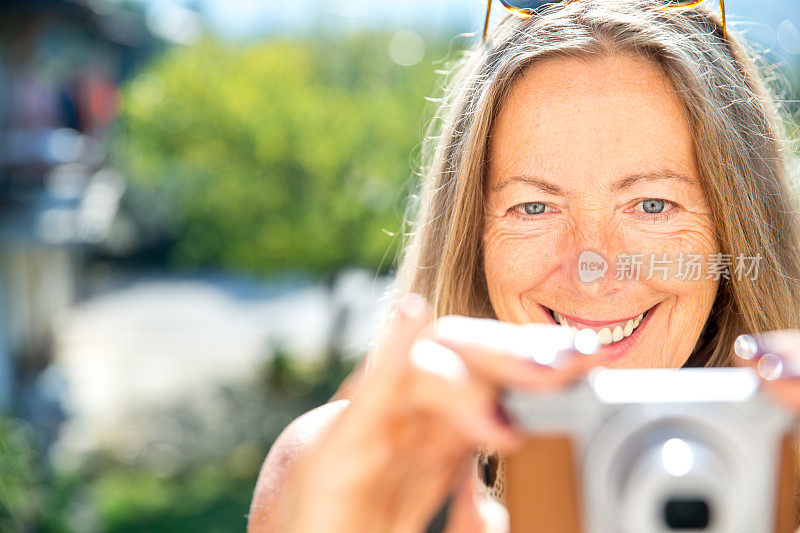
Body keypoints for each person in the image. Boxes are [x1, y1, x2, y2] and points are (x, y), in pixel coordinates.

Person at [248, 0, 800, 531]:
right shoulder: (346, 482)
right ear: (472, 235)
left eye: (652, 205)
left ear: (735, 229)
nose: (595, 268)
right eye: (534, 207)